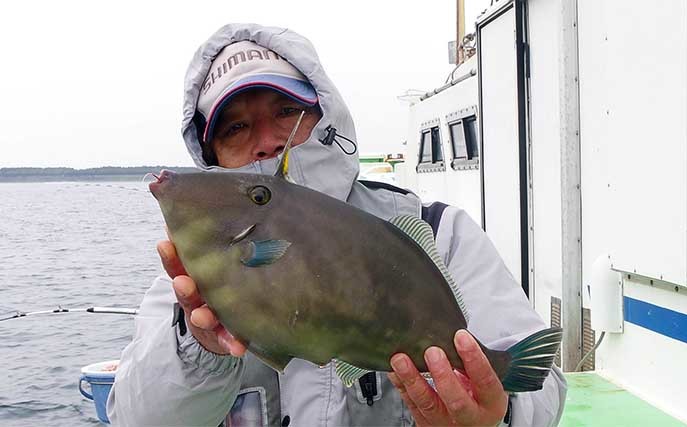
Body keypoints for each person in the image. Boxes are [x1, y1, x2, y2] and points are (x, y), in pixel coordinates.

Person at [107, 23, 567, 427]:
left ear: (324, 115)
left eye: (286, 111)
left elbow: (543, 391)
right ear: (212, 159)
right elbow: (135, 418)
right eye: (235, 128)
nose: (266, 142)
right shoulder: (191, 286)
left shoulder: (438, 231)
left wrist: (498, 413)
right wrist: (198, 347)